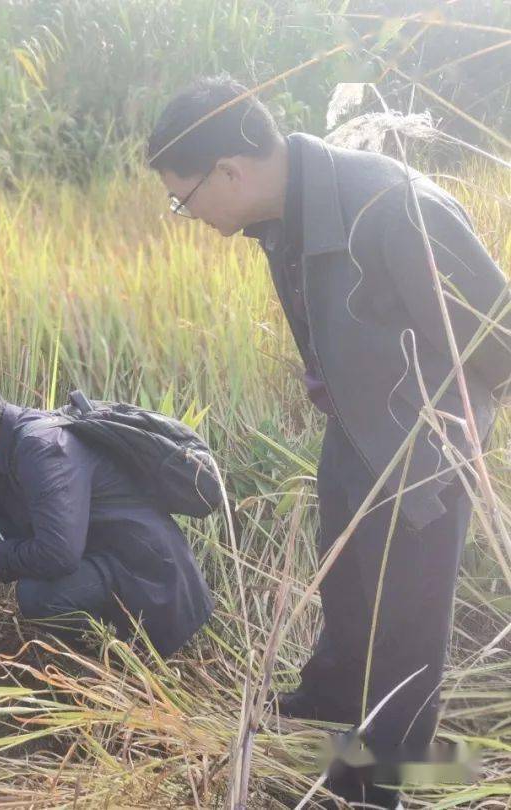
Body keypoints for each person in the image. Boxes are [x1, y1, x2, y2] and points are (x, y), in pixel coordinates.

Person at [146, 75, 511, 807]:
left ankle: (383, 786)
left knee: (406, 631)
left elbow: (498, 337)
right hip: (356, 435)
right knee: (346, 584)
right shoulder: (282, 213)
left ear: (230, 171)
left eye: (184, 200)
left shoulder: (390, 206)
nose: (188, 214)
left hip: (422, 455)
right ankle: (328, 710)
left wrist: (429, 419)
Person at [0, 372, 213, 656]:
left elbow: (58, 554)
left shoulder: (42, 449)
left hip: (148, 576)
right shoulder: (12, 435)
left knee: (37, 596)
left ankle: (119, 656)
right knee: (25, 553)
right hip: (115, 554)